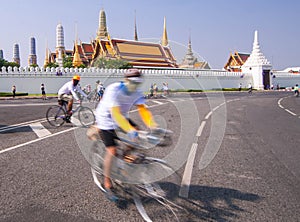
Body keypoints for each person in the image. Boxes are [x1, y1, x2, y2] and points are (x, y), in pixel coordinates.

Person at [94, 69, 158, 201]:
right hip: (106, 118)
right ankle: (107, 182)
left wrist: (153, 126)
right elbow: (115, 114)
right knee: (112, 150)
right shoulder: (114, 89)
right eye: (133, 83)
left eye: (138, 83)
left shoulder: (137, 92)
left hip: (122, 117)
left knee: (137, 131)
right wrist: (129, 130)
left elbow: (143, 110)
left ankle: (124, 159)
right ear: (126, 80)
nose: (135, 86)